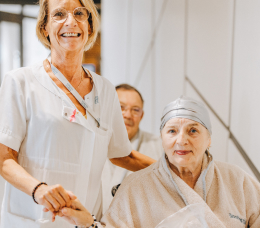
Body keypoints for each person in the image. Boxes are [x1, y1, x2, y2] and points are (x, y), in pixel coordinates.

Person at [0, 0, 155, 227]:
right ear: (45, 26)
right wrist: (39, 189)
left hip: (85, 220)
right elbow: (4, 159)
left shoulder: (105, 89)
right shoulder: (21, 82)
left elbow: (123, 154)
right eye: (59, 14)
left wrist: (176, 171)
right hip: (34, 218)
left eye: (80, 14)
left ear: (89, 25)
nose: (70, 22)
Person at [58, 96, 260, 227]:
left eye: (193, 130)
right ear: (162, 139)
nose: (181, 140)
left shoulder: (238, 180)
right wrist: (88, 223)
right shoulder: (135, 186)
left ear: (209, 140)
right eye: (172, 131)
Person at [102, 84, 162, 212]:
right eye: (120, 107)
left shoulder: (161, 147)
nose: (128, 115)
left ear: (142, 115)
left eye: (135, 110)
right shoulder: (90, 144)